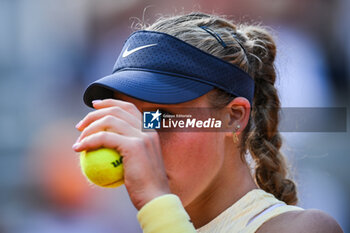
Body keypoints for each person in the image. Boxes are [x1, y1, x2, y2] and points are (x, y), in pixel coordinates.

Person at [72, 12, 343, 233]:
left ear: (233, 117)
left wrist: (156, 201)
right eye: (131, 119)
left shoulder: (304, 228)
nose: (143, 140)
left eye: (162, 116)